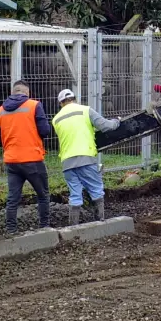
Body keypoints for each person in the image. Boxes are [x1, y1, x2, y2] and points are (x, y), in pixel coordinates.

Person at [52, 89, 121, 225]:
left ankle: (73, 227)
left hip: (67, 162)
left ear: (60, 103)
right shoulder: (85, 110)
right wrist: (116, 121)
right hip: (86, 158)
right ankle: (100, 222)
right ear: (75, 98)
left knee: (75, 195)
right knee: (96, 190)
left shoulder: (56, 119)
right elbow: (106, 126)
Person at [0, 80, 52, 233]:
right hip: (32, 159)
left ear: (13, 92)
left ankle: (11, 230)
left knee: (13, 199)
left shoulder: (0, 111)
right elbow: (45, 131)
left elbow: (0, 137)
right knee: (43, 195)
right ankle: (44, 227)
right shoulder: (34, 105)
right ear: (27, 93)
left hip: (12, 161)